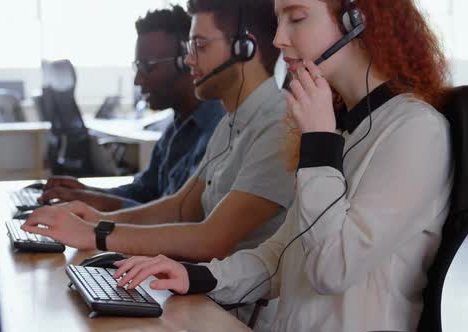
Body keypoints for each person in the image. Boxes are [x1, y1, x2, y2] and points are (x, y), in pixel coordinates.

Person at [111, 0, 453, 331]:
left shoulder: (415, 131)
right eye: (279, 19)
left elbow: (332, 269)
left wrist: (319, 144)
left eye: (297, 17)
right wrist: (193, 275)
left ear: (357, 20)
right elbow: (281, 256)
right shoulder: (344, 127)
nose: (278, 38)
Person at [23, 0, 295, 262]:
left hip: (236, 305)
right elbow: (179, 208)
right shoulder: (232, 122)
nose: (188, 60)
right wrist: (97, 218)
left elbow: (211, 239)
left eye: (200, 45)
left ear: (245, 48)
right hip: (203, 290)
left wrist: (97, 234)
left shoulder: (279, 125)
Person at [39, 5, 225, 212]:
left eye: (147, 66)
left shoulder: (217, 129)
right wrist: (87, 193)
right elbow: (143, 191)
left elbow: (178, 216)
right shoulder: (177, 127)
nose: (137, 80)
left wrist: (91, 201)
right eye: (137, 67)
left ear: (185, 62)